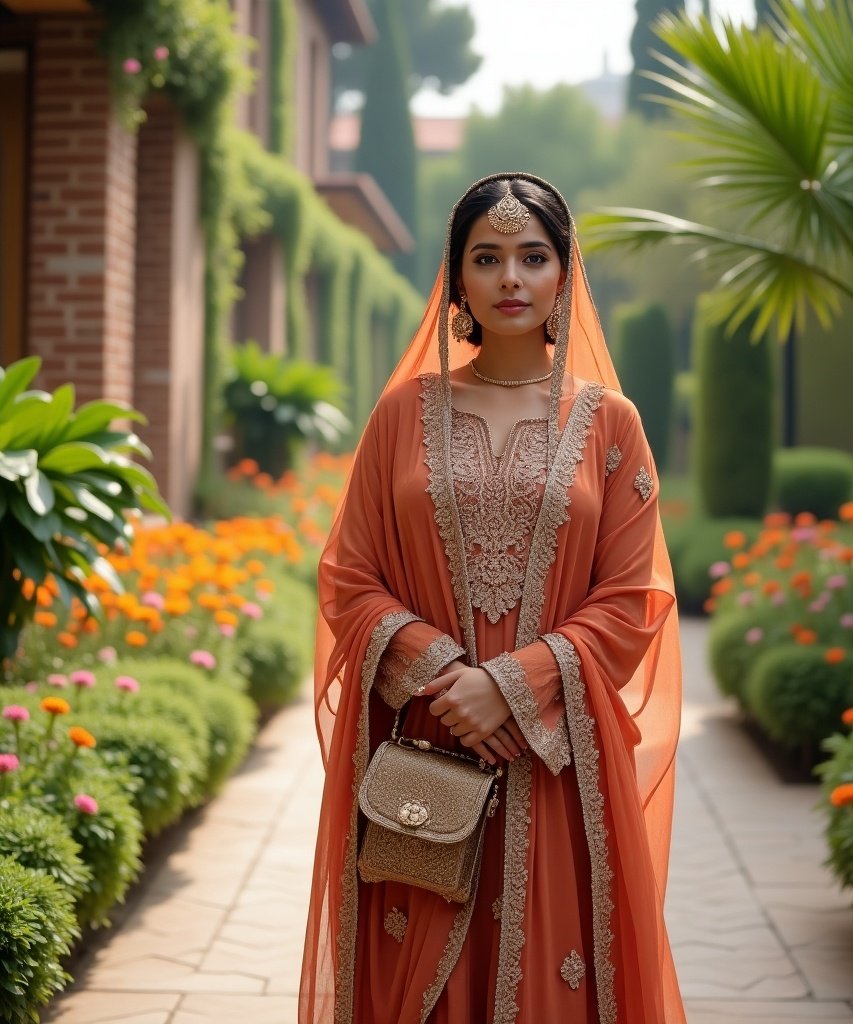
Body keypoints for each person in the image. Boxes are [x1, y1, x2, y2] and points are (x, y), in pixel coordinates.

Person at [299, 172, 686, 1024]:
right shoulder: (403, 413)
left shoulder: (610, 423)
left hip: (555, 756)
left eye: (532, 256)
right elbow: (348, 574)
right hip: (427, 742)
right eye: (488, 257)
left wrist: (513, 685)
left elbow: (633, 596)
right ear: (458, 280)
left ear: (564, 275)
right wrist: (446, 675)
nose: (511, 277)